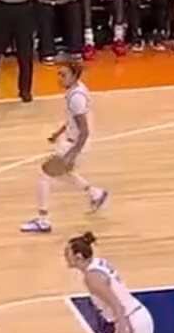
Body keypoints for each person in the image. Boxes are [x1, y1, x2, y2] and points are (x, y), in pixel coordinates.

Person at [22, 61, 109, 232]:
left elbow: (84, 131)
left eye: (63, 75)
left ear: (74, 76)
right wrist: (58, 133)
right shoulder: (77, 90)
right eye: (59, 74)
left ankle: (43, 220)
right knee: (63, 174)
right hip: (72, 141)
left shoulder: (76, 98)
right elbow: (73, 119)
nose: (59, 78)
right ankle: (95, 193)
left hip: (75, 143)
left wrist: (72, 154)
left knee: (45, 173)